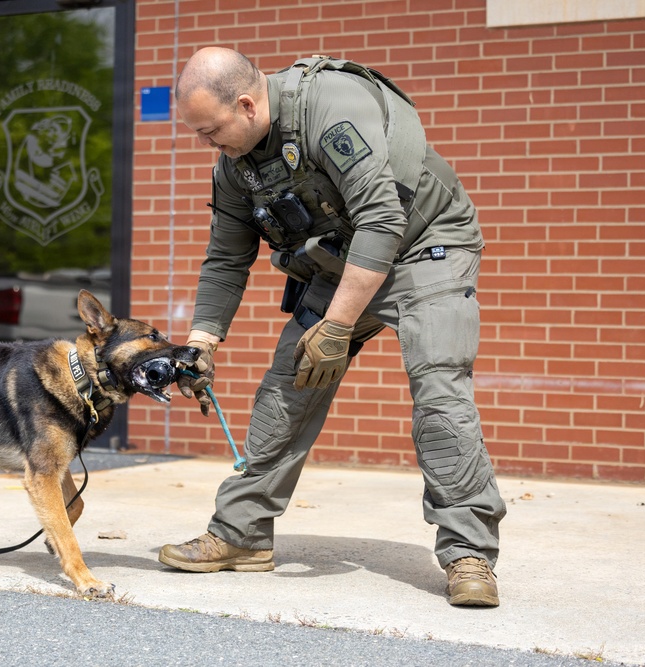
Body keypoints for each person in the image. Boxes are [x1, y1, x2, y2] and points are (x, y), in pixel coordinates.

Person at [159, 47, 506, 607]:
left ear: (246, 105)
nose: (208, 145)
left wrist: (338, 324)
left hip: (427, 246)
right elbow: (225, 259)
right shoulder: (235, 165)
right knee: (286, 388)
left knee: (439, 391)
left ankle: (469, 553)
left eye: (212, 131)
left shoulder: (330, 108)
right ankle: (241, 535)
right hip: (345, 261)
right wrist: (201, 344)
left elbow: (383, 218)